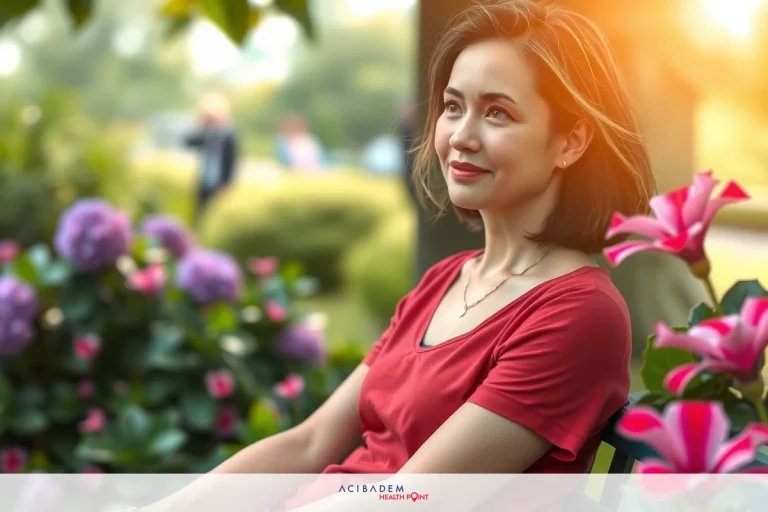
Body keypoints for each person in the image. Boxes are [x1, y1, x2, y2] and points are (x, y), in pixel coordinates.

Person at [140, 1, 655, 510]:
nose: (461, 137)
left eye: (498, 113)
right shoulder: (447, 279)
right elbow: (310, 443)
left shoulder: (579, 315)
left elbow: (409, 497)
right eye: (453, 107)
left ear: (570, 141)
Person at [184, 92, 239, 226]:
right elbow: (188, 142)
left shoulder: (228, 134)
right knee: (200, 214)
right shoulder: (206, 133)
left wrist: (227, 182)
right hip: (204, 180)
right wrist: (200, 125)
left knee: (216, 216)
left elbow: (232, 161)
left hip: (219, 182)